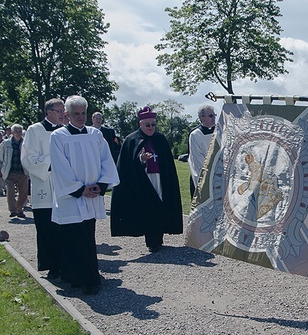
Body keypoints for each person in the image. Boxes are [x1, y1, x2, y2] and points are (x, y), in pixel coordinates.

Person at [50, 95, 119, 294]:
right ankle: (76, 278)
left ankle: (90, 277)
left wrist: (100, 185)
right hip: (72, 197)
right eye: (76, 114)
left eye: (83, 113)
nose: (80, 117)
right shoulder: (58, 137)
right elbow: (59, 167)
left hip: (93, 194)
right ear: (67, 114)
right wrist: (80, 189)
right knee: (73, 238)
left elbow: (106, 160)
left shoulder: (95, 135)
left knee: (88, 236)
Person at [111, 106, 183, 252]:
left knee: (160, 205)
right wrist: (141, 159)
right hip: (142, 181)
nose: (151, 128)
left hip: (159, 179)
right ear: (141, 124)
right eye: (148, 125)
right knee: (149, 208)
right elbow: (127, 165)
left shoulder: (160, 139)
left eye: (153, 124)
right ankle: (152, 241)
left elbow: (167, 162)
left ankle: (158, 237)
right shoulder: (131, 140)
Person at [21, 98, 66, 280]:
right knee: (47, 226)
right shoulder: (35, 130)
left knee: (64, 226)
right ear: (48, 112)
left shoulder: (65, 131)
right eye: (59, 110)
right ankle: (52, 265)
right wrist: (53, 161)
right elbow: (28, 158)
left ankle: (66, 262)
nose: (63, 113)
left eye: (64, 110)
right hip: (45, 184)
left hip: (63, 184)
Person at [0, 124, 29, 218]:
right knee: (10, 191)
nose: (18, 133)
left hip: (23, 171)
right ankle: (13, 210)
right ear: (12, 132)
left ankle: (19, 209)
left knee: (23, 193)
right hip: (9, 171)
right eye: (16, 131)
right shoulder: (5, 144)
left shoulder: (26, 143)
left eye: (20, 131)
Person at [187, 104, 216, 197]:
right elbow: (197, 158)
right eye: (211, 116)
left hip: (218, 176)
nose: (214, 118)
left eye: (214, 115)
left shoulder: (219, 132)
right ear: (202, 118)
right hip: (202, 175)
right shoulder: (195, 135)